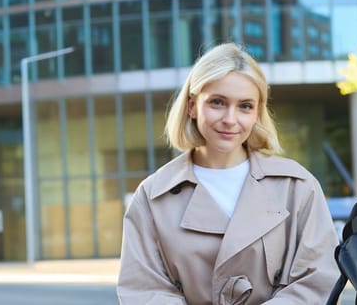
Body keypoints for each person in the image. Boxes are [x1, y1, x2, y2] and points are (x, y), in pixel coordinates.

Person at [117, 43, 340, 304]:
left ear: (257, 112)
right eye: (217, 103)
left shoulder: (296, 186)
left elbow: (317, 279)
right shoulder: (153, 196)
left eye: (245, 106)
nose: (230, 119)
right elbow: (144, 290)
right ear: (192, 106)